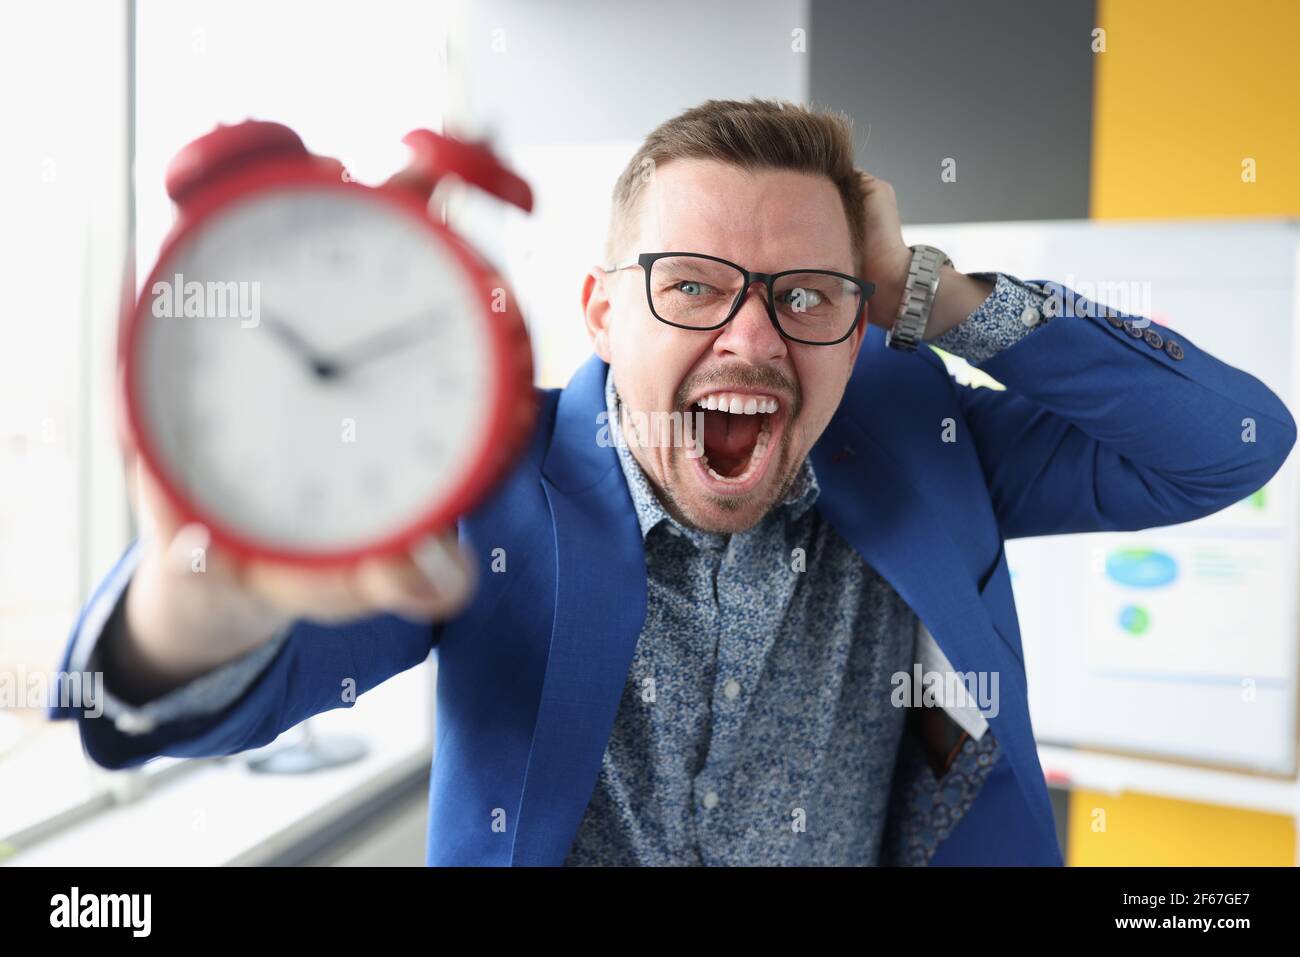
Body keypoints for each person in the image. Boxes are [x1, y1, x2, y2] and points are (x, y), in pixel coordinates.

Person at [51, 98, 1296, 865]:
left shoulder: (927, 447)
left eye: (805, 296)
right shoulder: (482, 488)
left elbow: (1229, 440)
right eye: (691, 284)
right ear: (600, 312)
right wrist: (189, 608)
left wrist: (925, 287)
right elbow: (141, 701)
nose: (751, 339)